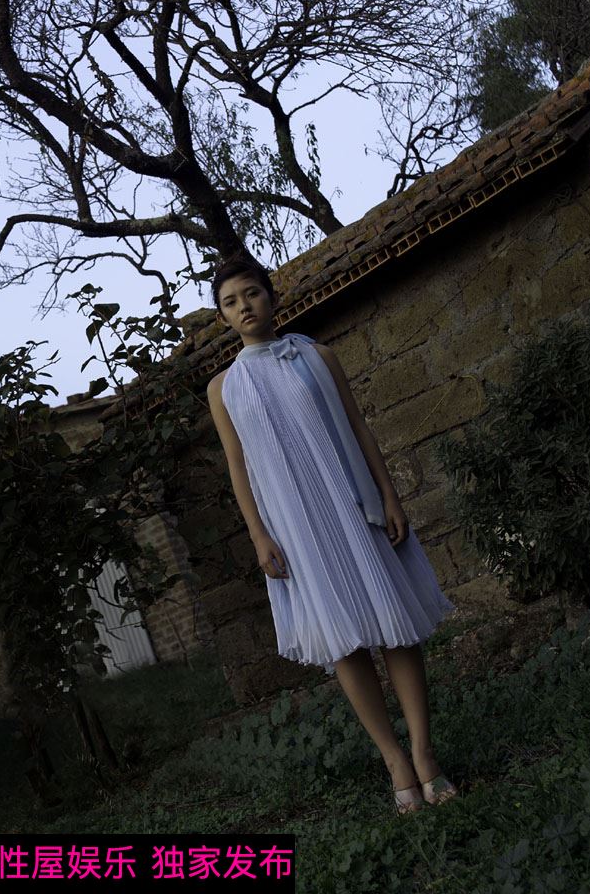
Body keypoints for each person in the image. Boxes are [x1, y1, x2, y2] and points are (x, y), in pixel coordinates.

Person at [205, 252, 459, 816]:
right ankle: (393, 760)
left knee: (395, 625)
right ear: (222, 317)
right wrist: (258, 536)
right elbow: (237, 467)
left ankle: (424, 753)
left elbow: (357, 427)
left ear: (271, 296)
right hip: (295, 527)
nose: (244, 306)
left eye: (252, 293)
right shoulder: (223, 388)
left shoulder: (318, 356)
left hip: (353, 505)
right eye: (230, 302)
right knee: (344, 638)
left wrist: (390, 495)